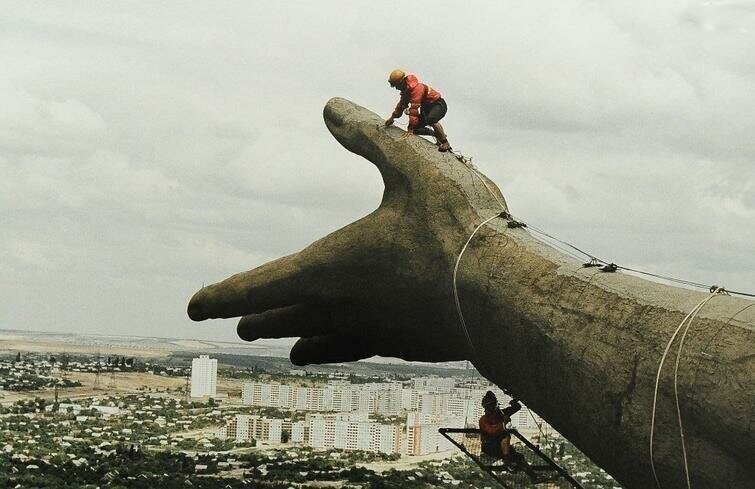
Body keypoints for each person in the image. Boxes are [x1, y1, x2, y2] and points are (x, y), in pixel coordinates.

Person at [384, 69, 452, 152]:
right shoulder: (406, 91)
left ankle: (445, 143)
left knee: (431, 119)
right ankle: (438, 135)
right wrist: (392, 118)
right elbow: (401, 106)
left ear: (402, 82)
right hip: (426, 109)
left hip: (438, 104)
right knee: (416, 129)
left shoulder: (417, 89)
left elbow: (414, 109)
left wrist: (410, 128)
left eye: (396, 85)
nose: (396, 88)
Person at [479, 391, 523, 462]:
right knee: (504, 435)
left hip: (500, 444)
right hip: (490, 445)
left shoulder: (501, 413)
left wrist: (514, 402)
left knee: (520, 458)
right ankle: (507, 458)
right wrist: (504, 422)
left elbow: (516, 407)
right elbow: (492, 431)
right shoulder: (484, 420)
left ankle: (511, 462)